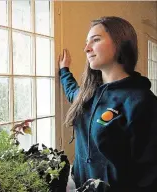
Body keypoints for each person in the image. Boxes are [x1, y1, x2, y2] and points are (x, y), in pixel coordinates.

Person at [58, 16, 157, 191]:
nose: (87, 48)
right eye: (86, 43)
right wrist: (64, 70)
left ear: (120, 43)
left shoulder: (142, 102)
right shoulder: (87, 94)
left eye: (95, 40)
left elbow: (149, 174)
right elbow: (72, 91)